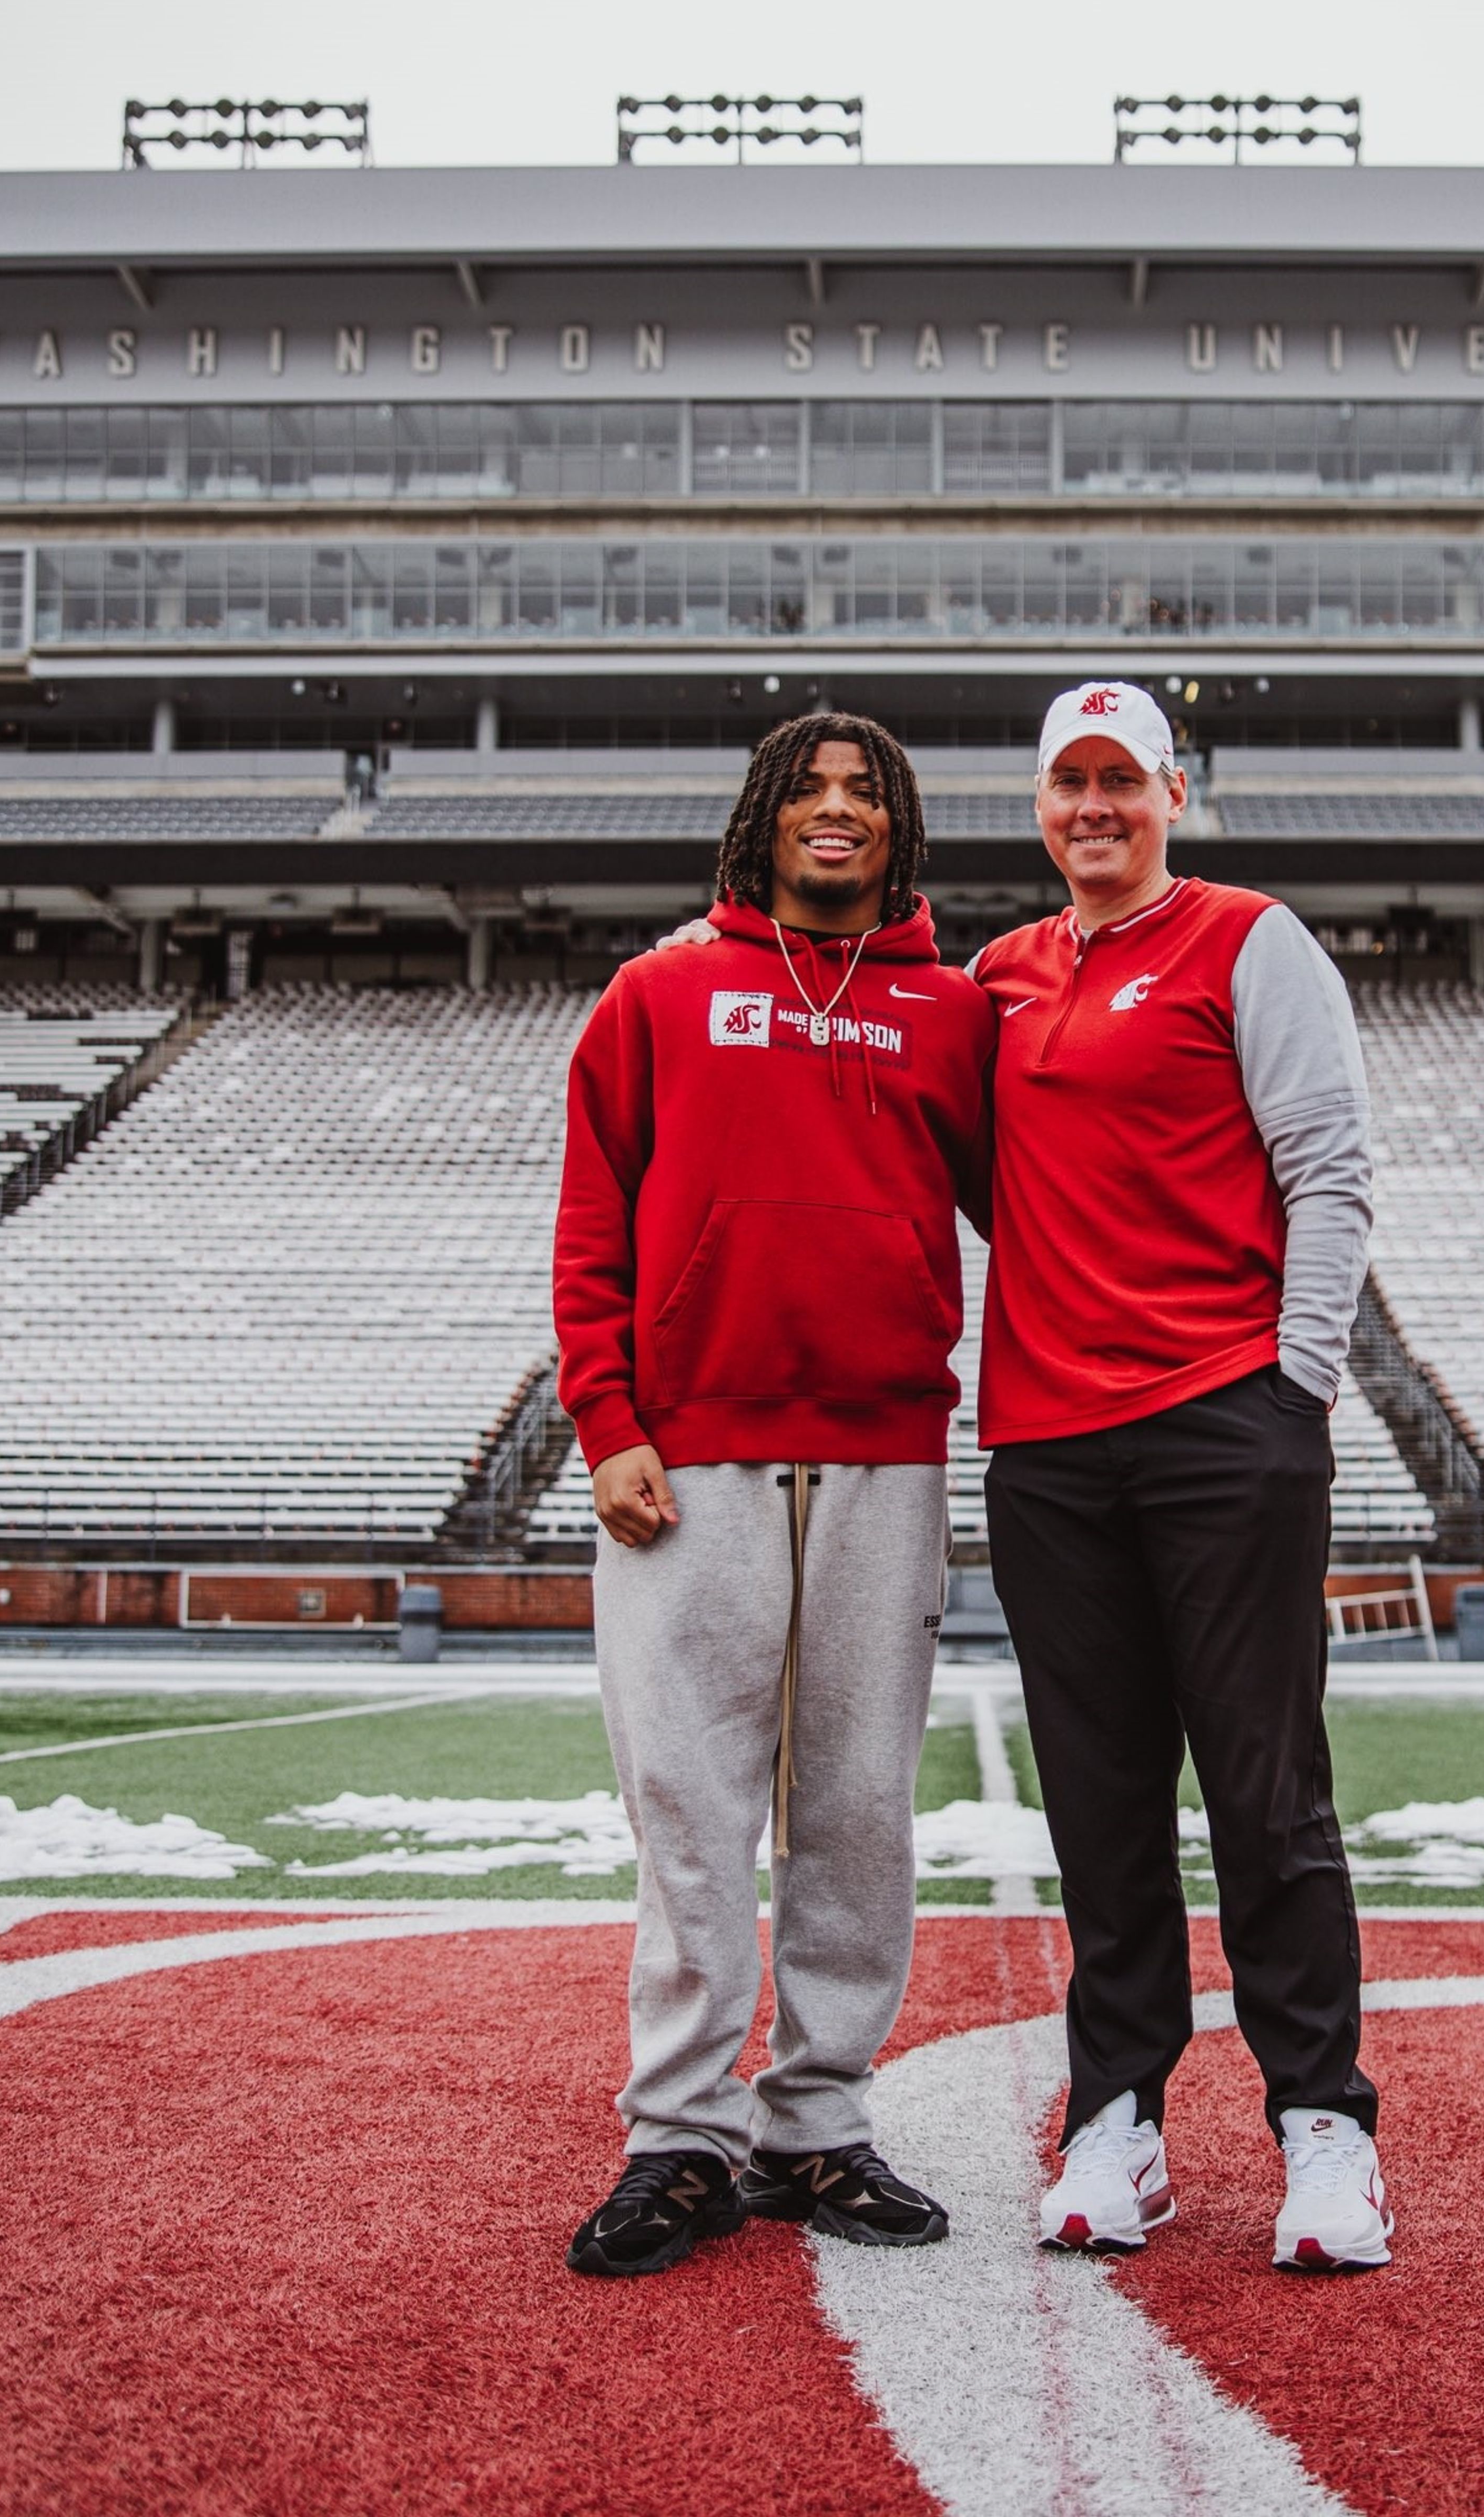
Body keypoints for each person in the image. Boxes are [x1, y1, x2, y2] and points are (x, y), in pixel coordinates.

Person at [553, 712, 994, 2279]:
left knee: (860, 1806)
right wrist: (608, 1419)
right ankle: (678, 2136)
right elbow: (594, 1214)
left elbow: (1049, 1203)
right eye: (806, 788)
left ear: (902, 830)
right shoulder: (660, 995)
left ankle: (816, 2123)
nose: (834, 811)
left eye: (865, 792)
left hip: (885, 1449)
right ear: (760, 816)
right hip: (693, 1455)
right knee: (690, 1803)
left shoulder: (953, 1013)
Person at [973, 681, 1390, 2273]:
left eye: (1123, 781)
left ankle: (1322, 2126)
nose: (1095, 806)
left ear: (1174, 791)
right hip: (1052, 1447)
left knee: (1267, 1790)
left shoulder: (1249, 938)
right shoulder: (998, 979)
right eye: (1068, 781)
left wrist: (1293, 1389)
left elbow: (1329, 1166)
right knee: (1100, 1801)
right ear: (1040, 804)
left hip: (1226, 1420)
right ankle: (1117, 2119)